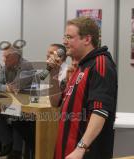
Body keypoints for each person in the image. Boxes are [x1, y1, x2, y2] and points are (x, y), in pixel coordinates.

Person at [49, 17, 117, 159]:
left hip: (84, 153)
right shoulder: (79, 66)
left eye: (69, 37)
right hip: (66, 150)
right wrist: (54, 73)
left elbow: (100, 111)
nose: (64, 42)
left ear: (86, 39)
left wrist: (81, 148)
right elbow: (55, 102)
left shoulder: (100, 63)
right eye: (64, 37)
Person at [0, 45, 34, 159]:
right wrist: (6, 88)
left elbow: (16, 87)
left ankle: (17, 150)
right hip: (11, 102)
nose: (3, 60)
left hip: (28, 106)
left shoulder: (26, 66)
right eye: (3, 57)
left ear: (16, 57)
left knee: (16, 114)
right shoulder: (6, 67)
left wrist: (6, 87)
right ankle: (8, 142)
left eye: (6, 57)